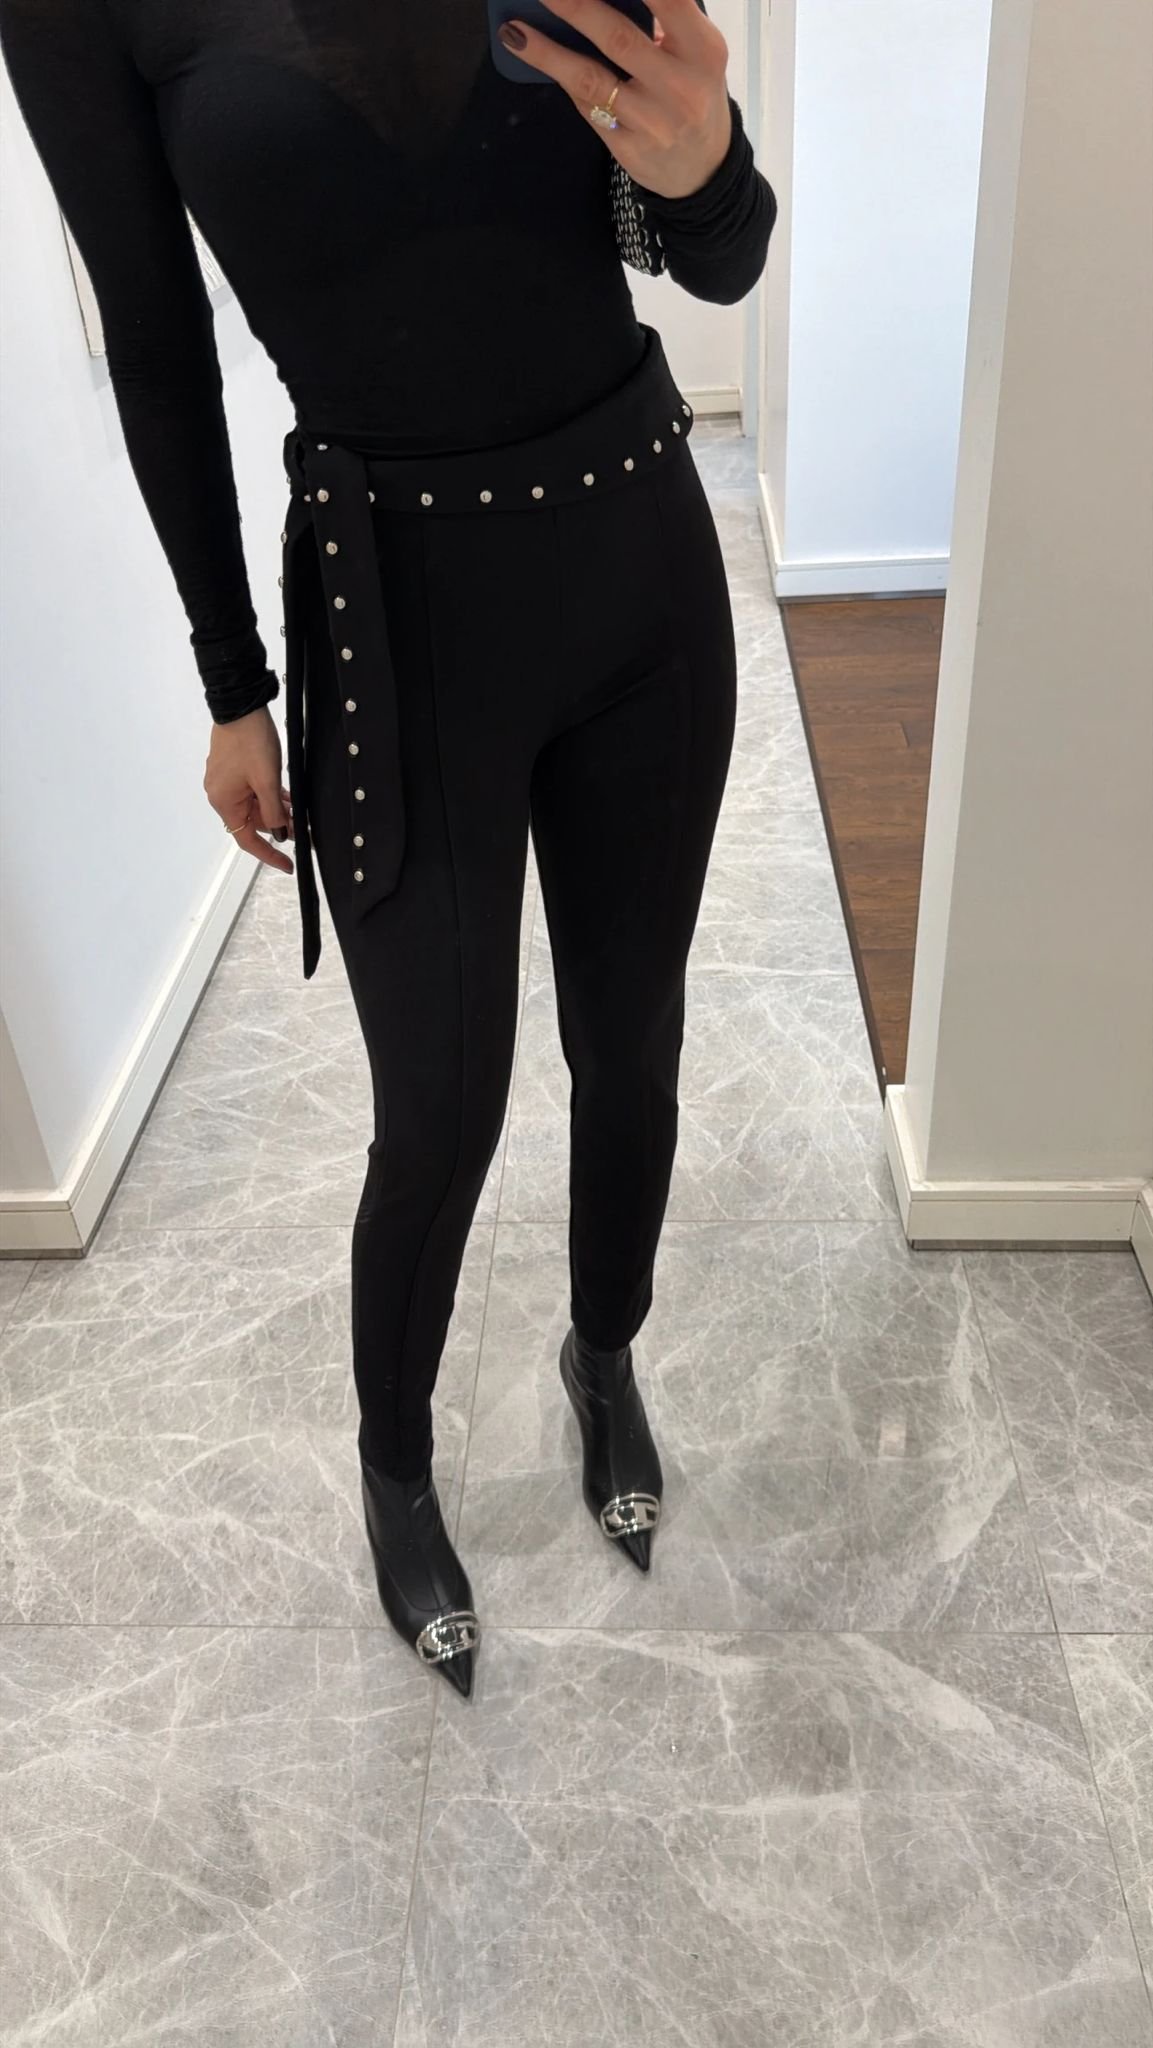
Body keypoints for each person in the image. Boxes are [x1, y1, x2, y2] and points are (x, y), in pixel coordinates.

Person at [1, 0, 776, 1697]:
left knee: (630, 1042)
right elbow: (156, 343)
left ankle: (603, 1355)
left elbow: (718, 262)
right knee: (437, 1107)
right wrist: (232, 682)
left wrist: (710, 167)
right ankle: (397, 1467)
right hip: (390, 613)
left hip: (638, 566)